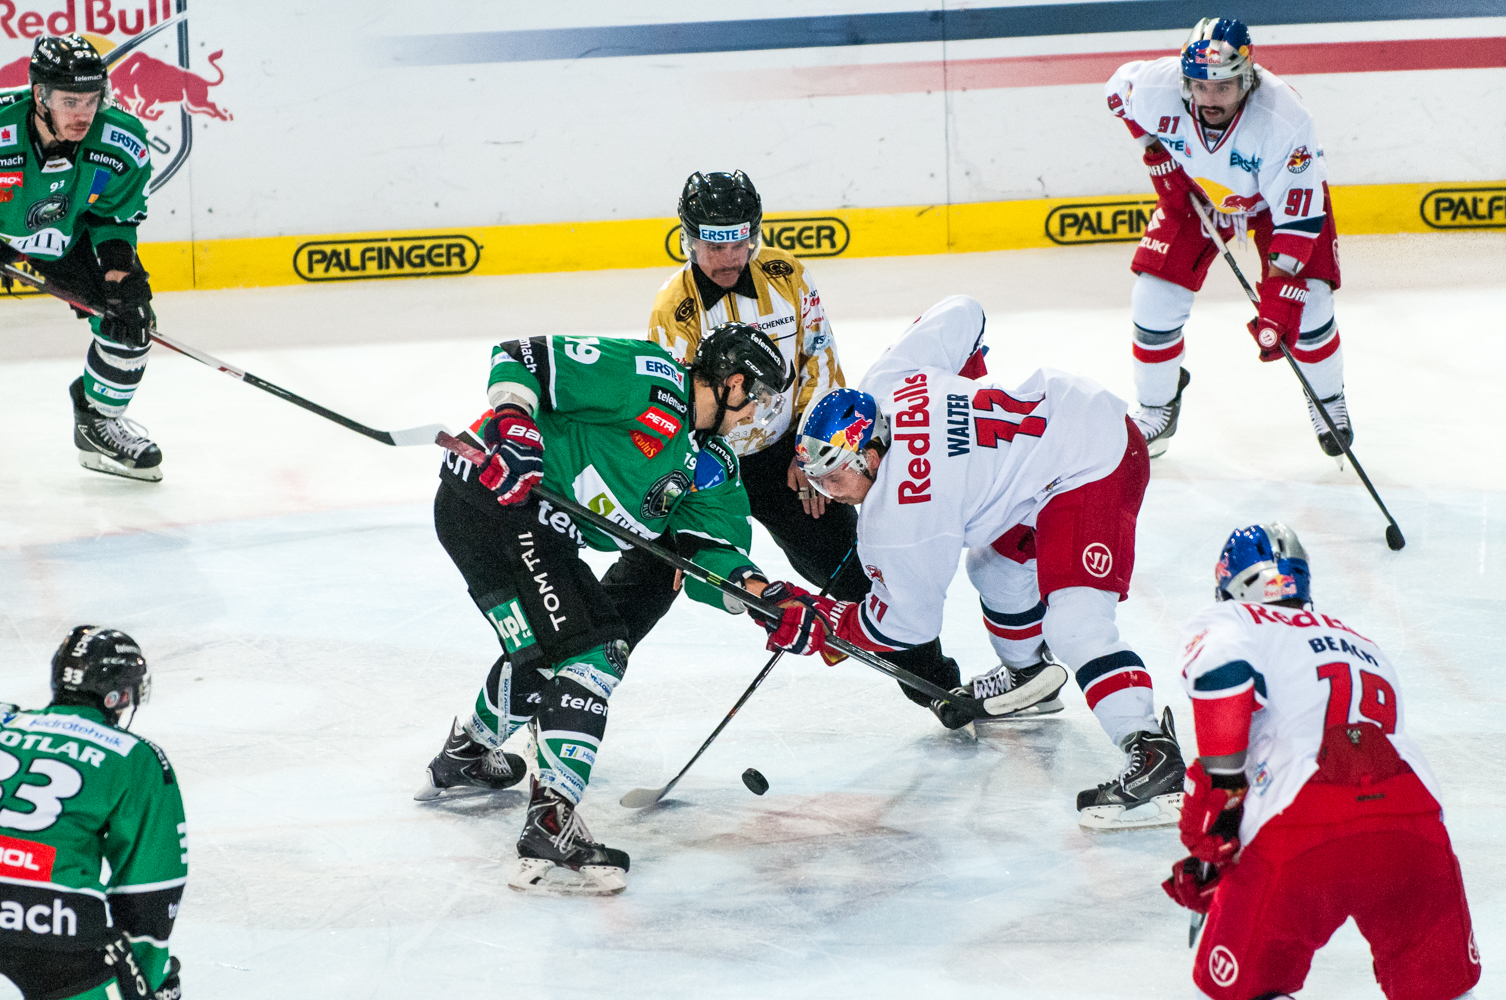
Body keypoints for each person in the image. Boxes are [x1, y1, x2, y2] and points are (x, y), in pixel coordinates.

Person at [753, 295, 1187, 829]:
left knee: (1076, 623)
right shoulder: (884, 384)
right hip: (1060, 422)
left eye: (833, 477)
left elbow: (908, 625)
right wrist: (968, 390)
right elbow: (964, 311)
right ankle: (1029, 674)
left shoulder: (900, 519)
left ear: (869, 457)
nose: (826, 492)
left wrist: (822, 623)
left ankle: (1151, 748)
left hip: (1095, 459)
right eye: (813, 476)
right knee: (996, 568)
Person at [416, 325, 785, 895]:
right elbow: (520, 356)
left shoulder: (712, 463)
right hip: (496, 503)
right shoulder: (651, 377)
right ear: (733, 382)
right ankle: (551, 822)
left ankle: (465, 754)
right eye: (757, 395)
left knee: (544, 653)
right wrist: (515, 427)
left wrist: (757, 593)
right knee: (594, 651)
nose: (757, 412)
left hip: (522, 527)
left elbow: (709, 550)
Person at [1165, 524, 1480, 1000]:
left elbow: (1222, 677)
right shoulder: (1360, 640)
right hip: (1414, 821)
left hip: (1303, 826)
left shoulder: (1236, 620)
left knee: (1245, 990)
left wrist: (1221, 800)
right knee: (1439, 989)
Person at [608, 170, 866, 645]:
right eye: (714, 247)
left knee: (855, 576)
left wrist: (814, 460)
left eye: (739, 244)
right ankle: (568, 674)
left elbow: (820, 360)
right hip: (707, 467)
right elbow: (676, 410)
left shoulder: (787, 276)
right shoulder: (673, 307)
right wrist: (696, 485)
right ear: (688, 241)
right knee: (647, 580)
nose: (728, 259)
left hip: (788, 460)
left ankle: (941, 687)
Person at [1105, 18, 1350, 461]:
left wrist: (1279, 293)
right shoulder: (1157, 87)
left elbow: (1296, 223)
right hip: (1202, 195)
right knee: (1153, 298)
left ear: (1247, 78)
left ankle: (1328, 401)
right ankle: (1157, 408)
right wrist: (1153, 150)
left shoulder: (1283, 118)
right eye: (1200, 86)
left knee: (1309, 306)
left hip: (1279, 207)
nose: (1210, 99)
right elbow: (1115, 91)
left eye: (1223, 86)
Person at [0, 35, 162, 480]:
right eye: (71, 100)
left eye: (92, 99)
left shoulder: (119, 139)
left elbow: (115, 215)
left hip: (65, 238)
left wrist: (119, 271)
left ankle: (97, 422)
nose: (83, 113)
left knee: (128, 325)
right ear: (39, 95)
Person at [0, 627, 185, 1000]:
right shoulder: (136, 757)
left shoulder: (5, 721)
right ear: (119, 694)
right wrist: (148, 982)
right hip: (56, 928)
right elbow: (149, 885)